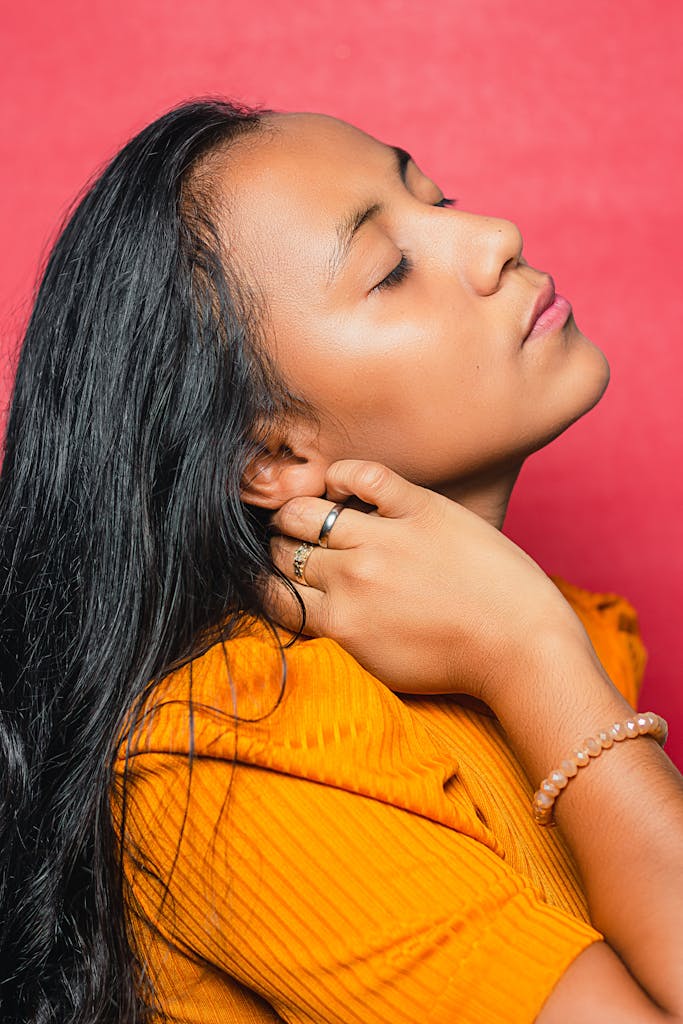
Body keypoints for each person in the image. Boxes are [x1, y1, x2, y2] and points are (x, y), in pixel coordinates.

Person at [0, 98, 681, 1024]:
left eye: (438, 199)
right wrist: (532, 656)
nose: (495, 237)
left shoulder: (571, 633)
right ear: (271, 457)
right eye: (390, 271)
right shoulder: (229, 759)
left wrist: (541, 652)